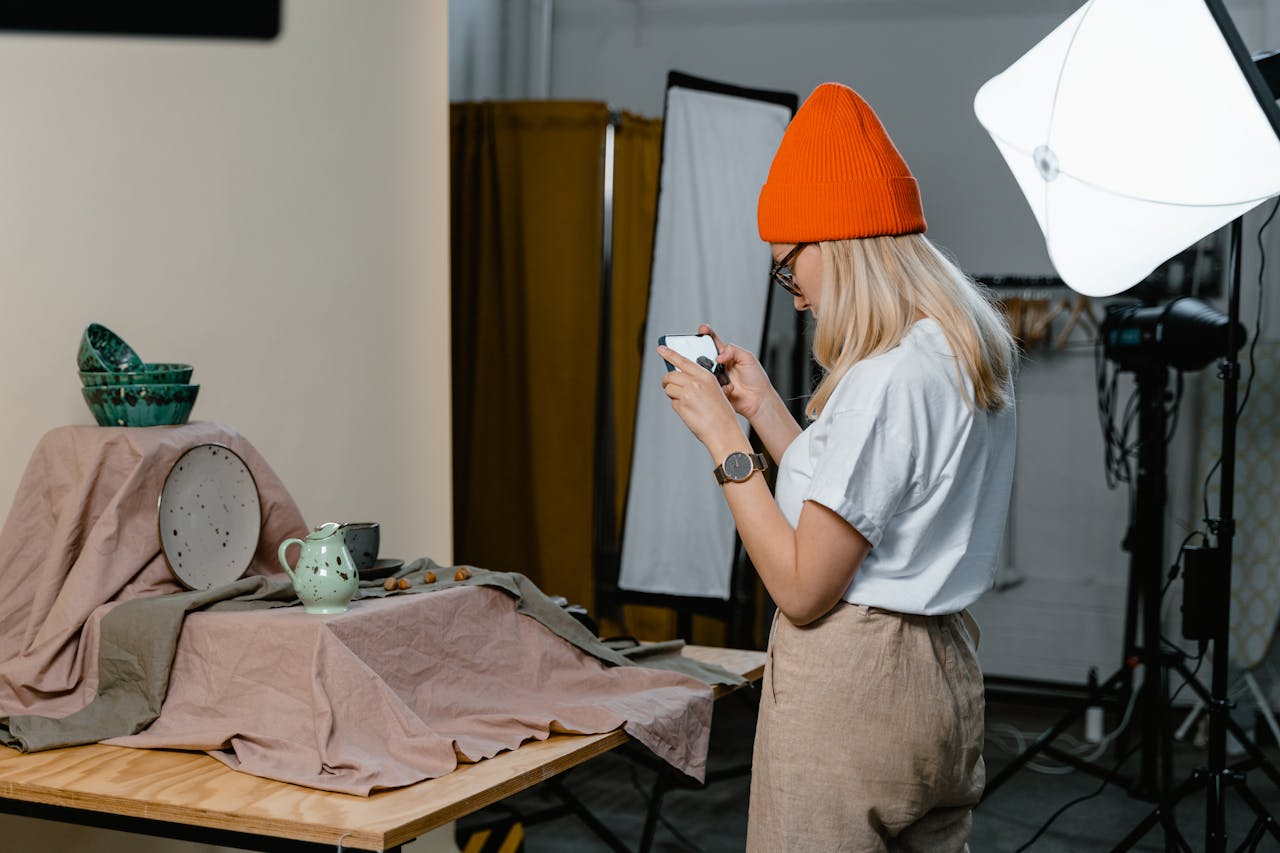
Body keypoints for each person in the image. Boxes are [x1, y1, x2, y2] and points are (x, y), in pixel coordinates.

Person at [657, 82, 1017, 852]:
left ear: (833, 242)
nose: (795, 297)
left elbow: (803, 584)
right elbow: (871, 505)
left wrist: (728, 445)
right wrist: (762, 411)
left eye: (789, 269)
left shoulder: (885, 379)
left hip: (855, 689)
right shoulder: (955, 348)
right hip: (942, 675)